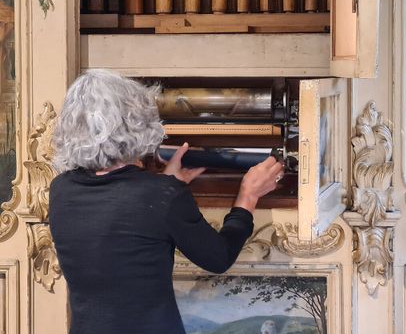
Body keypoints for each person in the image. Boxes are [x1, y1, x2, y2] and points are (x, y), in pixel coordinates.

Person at [49, 69, 284, 334]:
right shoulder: (161, 194)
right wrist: (248, 195)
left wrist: (166, 184)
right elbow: (218, 258)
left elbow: (122, 216)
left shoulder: (61, 189)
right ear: (137, 122)